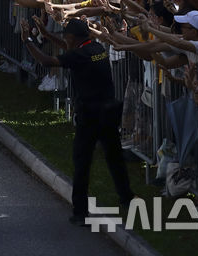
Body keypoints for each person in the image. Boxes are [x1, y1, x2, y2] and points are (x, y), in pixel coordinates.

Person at [20, 18, 134, 226]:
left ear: (72, 37)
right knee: (114, 158)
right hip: (108, 111)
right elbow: (70, 51)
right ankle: (127, 198)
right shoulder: (95, 47)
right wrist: (46, 35)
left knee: (82, 163)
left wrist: (28, 40)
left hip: (90, 115)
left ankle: (80, 213)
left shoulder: (80, 54)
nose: (65, 39)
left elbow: (47, 61)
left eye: (66, 36)